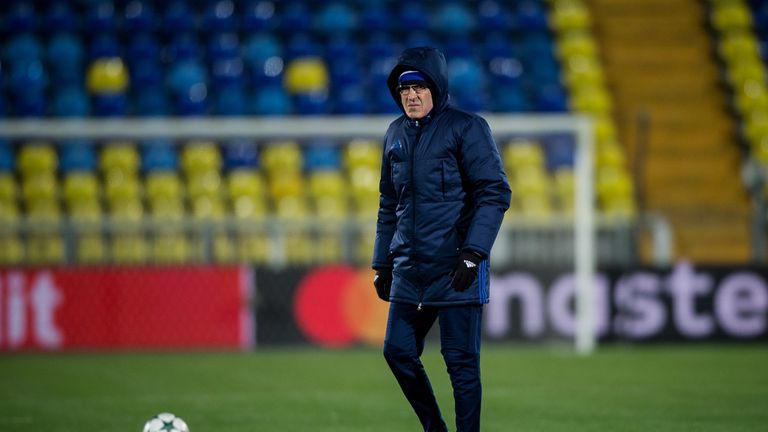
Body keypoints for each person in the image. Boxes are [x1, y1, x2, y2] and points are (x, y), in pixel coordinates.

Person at [372, 46, 511, 432]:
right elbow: (388, 203)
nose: (411, 95)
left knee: (461, 365)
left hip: (456, 269)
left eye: (419, 87)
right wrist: (382, 262)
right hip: (410, 270)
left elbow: (494, 192)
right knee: (397, 351)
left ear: (436, 88)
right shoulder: (394, 134)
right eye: (404, 89)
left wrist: (473, 253)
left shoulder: (468, 127)